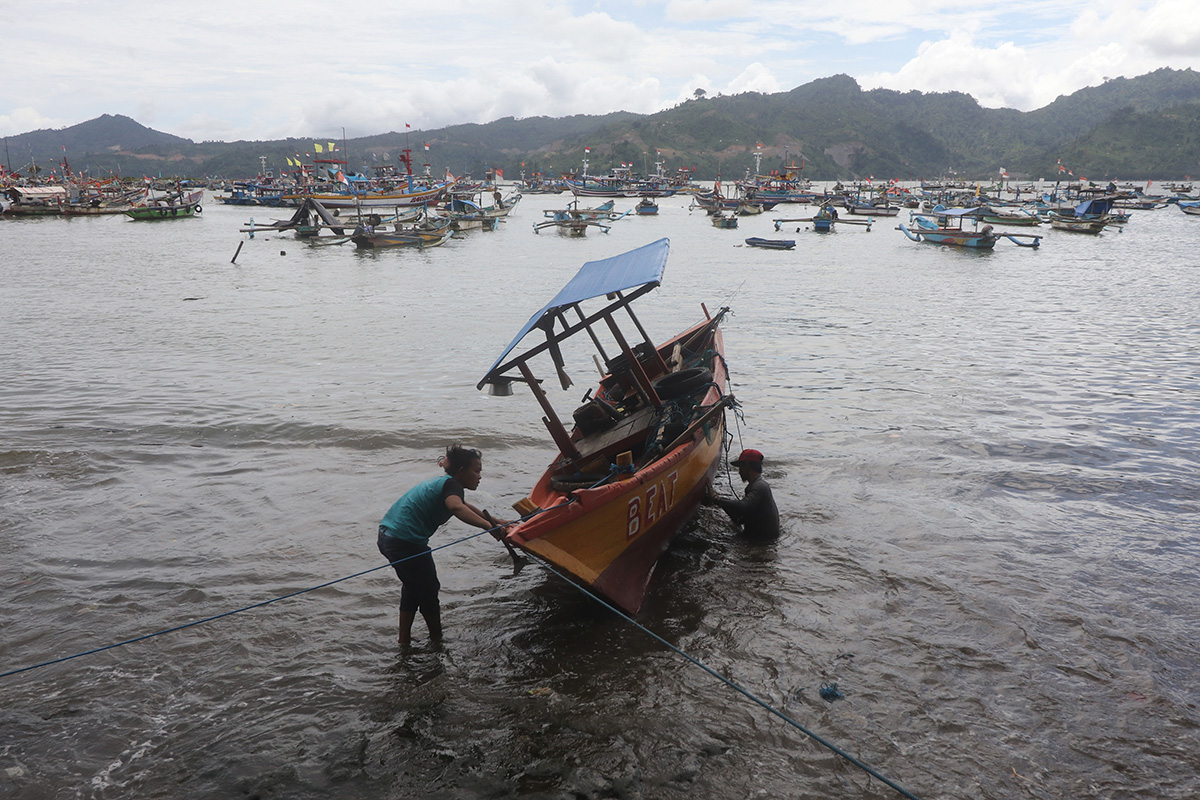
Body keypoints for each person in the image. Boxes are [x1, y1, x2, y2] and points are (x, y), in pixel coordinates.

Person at [377, 444, 509, 646]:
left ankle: (404, 641)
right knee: (429, 590)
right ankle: (436, 640)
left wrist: (499, 523)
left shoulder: (446, 484)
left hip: (388, 537)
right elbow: (456, 507)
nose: (480, 476)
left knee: (413, 588)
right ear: (461, 471)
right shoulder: (451, 487)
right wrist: (488, 528)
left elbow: (466, 507)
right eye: (477, 471)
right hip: (404, 542)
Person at [705, 448, 780, 540]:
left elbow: (743, 507)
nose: (739, 471)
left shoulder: (760, 487)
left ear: (747, 466)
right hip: (759, 539)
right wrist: (720, 503)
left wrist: (716, 498)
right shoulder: (757, 485)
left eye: (740, 467)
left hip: (760, 543)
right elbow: (740, 518)